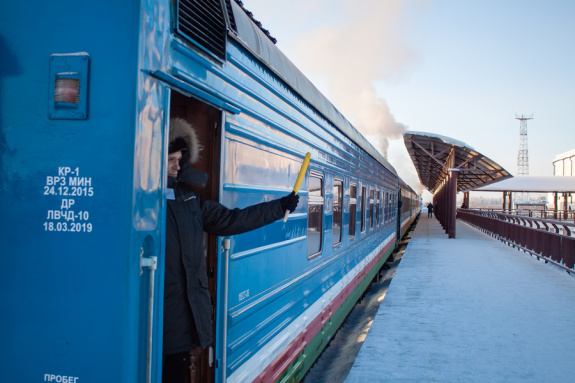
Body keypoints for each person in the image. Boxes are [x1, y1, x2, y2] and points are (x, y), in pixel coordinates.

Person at [162, 118, 299, 383]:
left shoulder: (190, 199)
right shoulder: (143, 199)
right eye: (170, 160)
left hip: (181, 318)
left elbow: (232, 220)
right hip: (156, 315)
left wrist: (279, 206)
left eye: (180, 159)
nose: (177, 167)